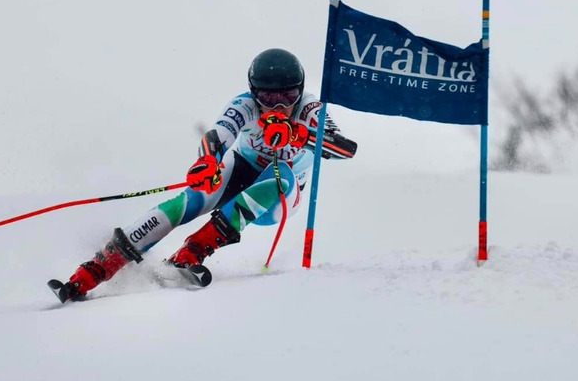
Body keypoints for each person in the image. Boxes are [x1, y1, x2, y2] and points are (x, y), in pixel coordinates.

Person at [49, 48, 355, 302]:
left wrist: (298, 133)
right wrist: (207, 161)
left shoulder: (310, 108)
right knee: (195, 198)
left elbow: (345, 149)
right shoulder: (245, 105)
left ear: (299, 91)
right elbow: (217, 135)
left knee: (280, 177)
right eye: (267, 96)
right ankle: (95, 269)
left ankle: (193, 250)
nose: (278, 104)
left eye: (287, 95)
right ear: (253, 92)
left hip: (281, 193)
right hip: (242, 170)